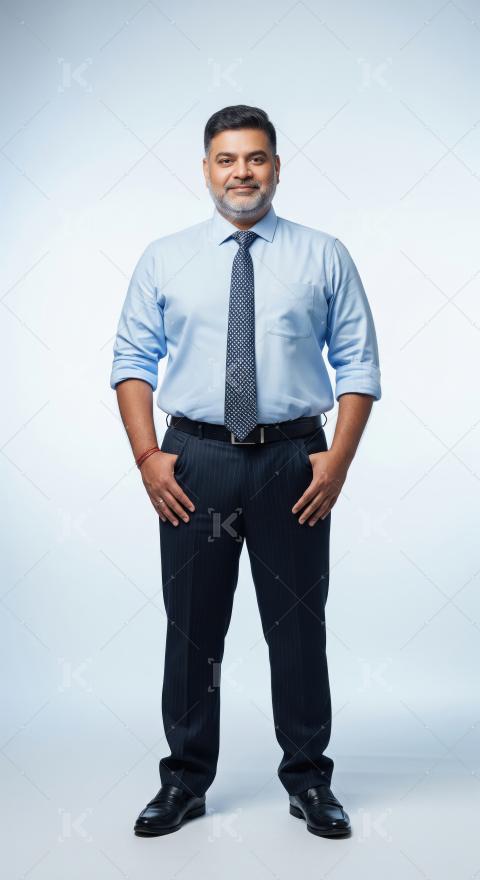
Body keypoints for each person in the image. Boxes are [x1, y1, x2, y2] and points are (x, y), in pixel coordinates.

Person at [110, 104, 381, 839]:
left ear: (277, 167)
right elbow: (131, 363)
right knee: (193, 630)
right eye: (227, 159)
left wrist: (339, 461)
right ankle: (186, 780)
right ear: (206, 169)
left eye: (256, 158)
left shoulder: (323, 254)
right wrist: (147, 456)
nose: (242, 173)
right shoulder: (165, 257)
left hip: (294, 461)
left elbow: (358, 364)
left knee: (296, 627)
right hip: (194, 461)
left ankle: (309, 781)